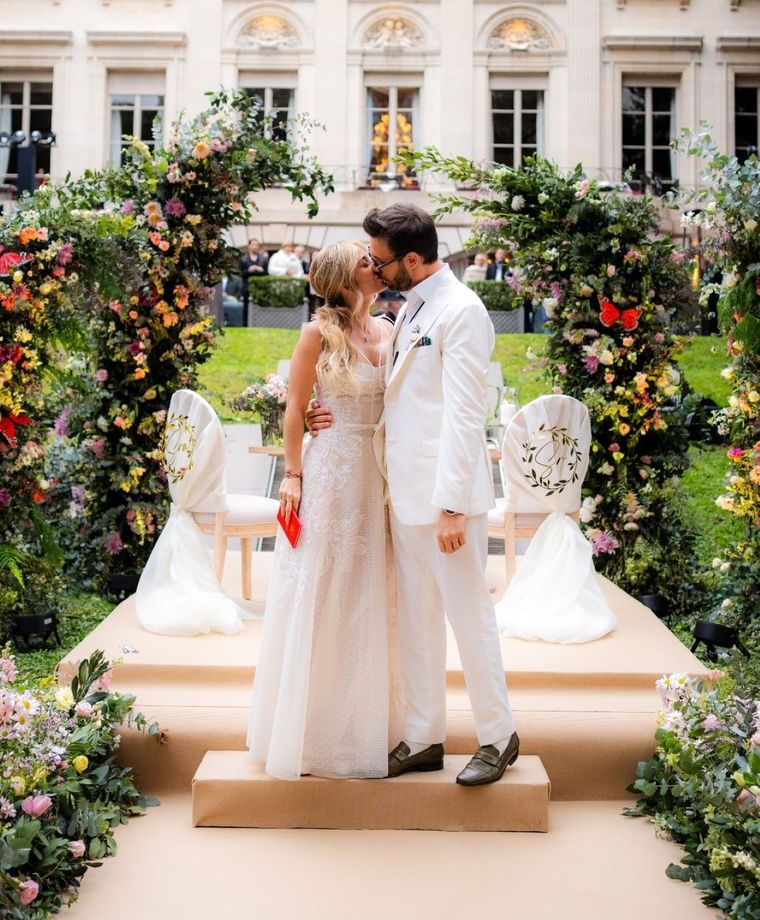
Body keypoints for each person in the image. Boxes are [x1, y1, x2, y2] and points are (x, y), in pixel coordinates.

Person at [308, 203, 518, 786]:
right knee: (419, 619)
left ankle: (499, 737)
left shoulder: (463, 311)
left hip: (446, 501)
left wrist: (452, 504)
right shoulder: (413, 306)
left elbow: (464, 415)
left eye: (379, 260)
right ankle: (424, 734)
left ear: (414, 259)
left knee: (468, 616)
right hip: (403, 494)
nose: (371, 269)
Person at [247, 240, 400, 780]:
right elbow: (294, 407)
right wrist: (293, 474)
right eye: (365, 262)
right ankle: (310, 731)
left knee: (370, 592)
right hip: (332, 471)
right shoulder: (317, 333)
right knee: (326, 587)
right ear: (342, 276)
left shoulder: (389, 328)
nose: (375, 266)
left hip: (379, 475)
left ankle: (366, 725)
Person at [239, 239, 269, 320]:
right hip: (246, 288)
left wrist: (261, 270)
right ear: (249, 246)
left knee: (260, 307)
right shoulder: (243, 258)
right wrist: (249, 270)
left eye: (256, 245)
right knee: (246, 307)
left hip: (260, 288)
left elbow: (267, 273)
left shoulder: (263, 259)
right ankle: (245, 324)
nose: (255, 247)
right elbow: (240, 273)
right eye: (253, 244)